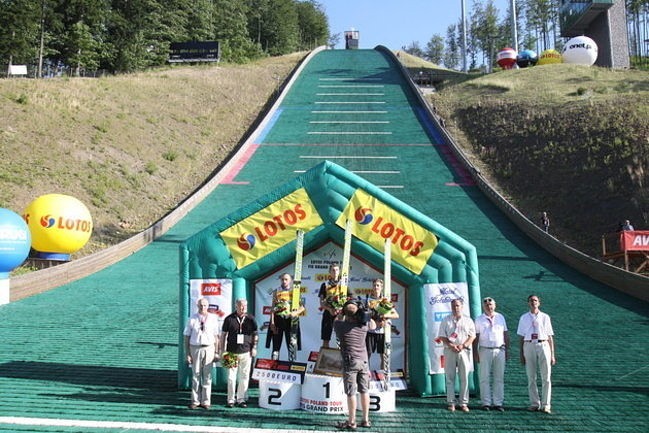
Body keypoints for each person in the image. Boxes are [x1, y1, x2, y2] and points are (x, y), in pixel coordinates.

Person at [334, 300, 376, 430]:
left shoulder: (340, 326)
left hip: (350, 361)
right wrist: (365, 313)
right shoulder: (364, 325)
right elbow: (374, 325)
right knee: (364, 390)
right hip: (364, 361)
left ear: (345, 313)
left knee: (351, 393)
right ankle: (365, 420)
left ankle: (352, 422)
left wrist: (341, 313)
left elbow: (337, 319)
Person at [517, 294, 556, 414]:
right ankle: (534, 403)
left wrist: (552, 354)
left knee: (546, 377)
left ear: (539, 302)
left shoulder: (545, 317)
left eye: (535, 300)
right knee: (531, 376)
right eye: (531, 300)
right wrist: (521, 353)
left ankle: (546, 405)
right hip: (528, 345)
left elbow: (550, 336)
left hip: (543, 344)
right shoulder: (524, 317)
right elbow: (521, 337)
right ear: (528, 303)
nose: (533, 302)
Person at [437, 298, 476, 412]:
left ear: (462, 306)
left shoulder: (468, 320)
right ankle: (451, 402)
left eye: (458, 305)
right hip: (450, 351)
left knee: (464, 377)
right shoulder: (446, 320)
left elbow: (472, 336)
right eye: (453, 306)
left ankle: (463, 403)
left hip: (463, 350)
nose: (456, 308)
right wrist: (451, 345)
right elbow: (442, 336)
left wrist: (462, 346)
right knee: (450, 377)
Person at [183, 297, 220, 409]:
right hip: (195, 348)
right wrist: (187, 353)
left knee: (207, 376)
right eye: (200, 305)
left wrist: (217, 352)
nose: (203, 307)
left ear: (208, 306)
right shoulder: (192, 319)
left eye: (204, 305)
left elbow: (216, 336)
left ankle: (206, 401)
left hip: (209, 348)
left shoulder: (213, 318)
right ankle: (195, 401)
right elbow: (186, 337)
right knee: (196, 375)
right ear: (197, 306)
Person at [220, 298, 258, 408]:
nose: (243, 308)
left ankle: (241, 399)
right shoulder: (229, 319)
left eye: (245, 306)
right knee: (231, 377)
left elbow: (255, 334)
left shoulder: (251, 319)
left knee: (244, 376)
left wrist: (254, 347)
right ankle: (230, 399)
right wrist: (222, 350)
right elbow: (223, 335)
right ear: (236, 306)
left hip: (246, 352)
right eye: (241, 306)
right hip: (231, 353)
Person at [474, 297, 509, 412]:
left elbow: (505, 334)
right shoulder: (479, 319)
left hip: (500, 350)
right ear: (483, 307)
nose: (489, 306)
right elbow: (476, 337)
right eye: (486, 305)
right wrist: (475, 352)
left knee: (499, 378)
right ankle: (486, 403)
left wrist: (507, 350)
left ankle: (498, 403)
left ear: (495, 305)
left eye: (491, 304)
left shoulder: (500, 317)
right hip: (484, 350)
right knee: (484, 377)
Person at [266, 273, 305, 360]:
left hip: (290, 321)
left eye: (286, 279)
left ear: (290, 280)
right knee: (276, 345)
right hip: (278, 320)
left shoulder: (295, 292)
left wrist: (294, 313)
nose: (284, 281)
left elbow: (302, 307)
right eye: (282, 279)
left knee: (291, 345)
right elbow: (273, 308)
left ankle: (292, 365)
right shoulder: (276, 291)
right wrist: (272, 322)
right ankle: (274, 365)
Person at [365, 278, 399, 371]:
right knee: (367, 354)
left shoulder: (385, 300)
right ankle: (365, 375)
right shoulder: (368, 299)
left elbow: (396, 315)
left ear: (381, 287)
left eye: (378, 285)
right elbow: (364, 315)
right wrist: (373, 320)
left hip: (382, 332)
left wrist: (384, 315)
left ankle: (383, 375)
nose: (376, 287)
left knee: (384, 355)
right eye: (374, 285)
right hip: (370, 331)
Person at [318, 263, 341, 348]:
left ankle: (341, 360)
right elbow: (321, 302)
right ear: (329, 272)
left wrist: (340, 308)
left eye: (337, 270)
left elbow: (348, 300)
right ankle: (324, 360)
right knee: (325, 339)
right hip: (328, 314)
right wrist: (329, 309)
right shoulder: (325, 285)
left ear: (339, 272)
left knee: (340, 340)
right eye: (333, 270)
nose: (335, 272)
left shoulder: (344, 284)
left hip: (340, 315)